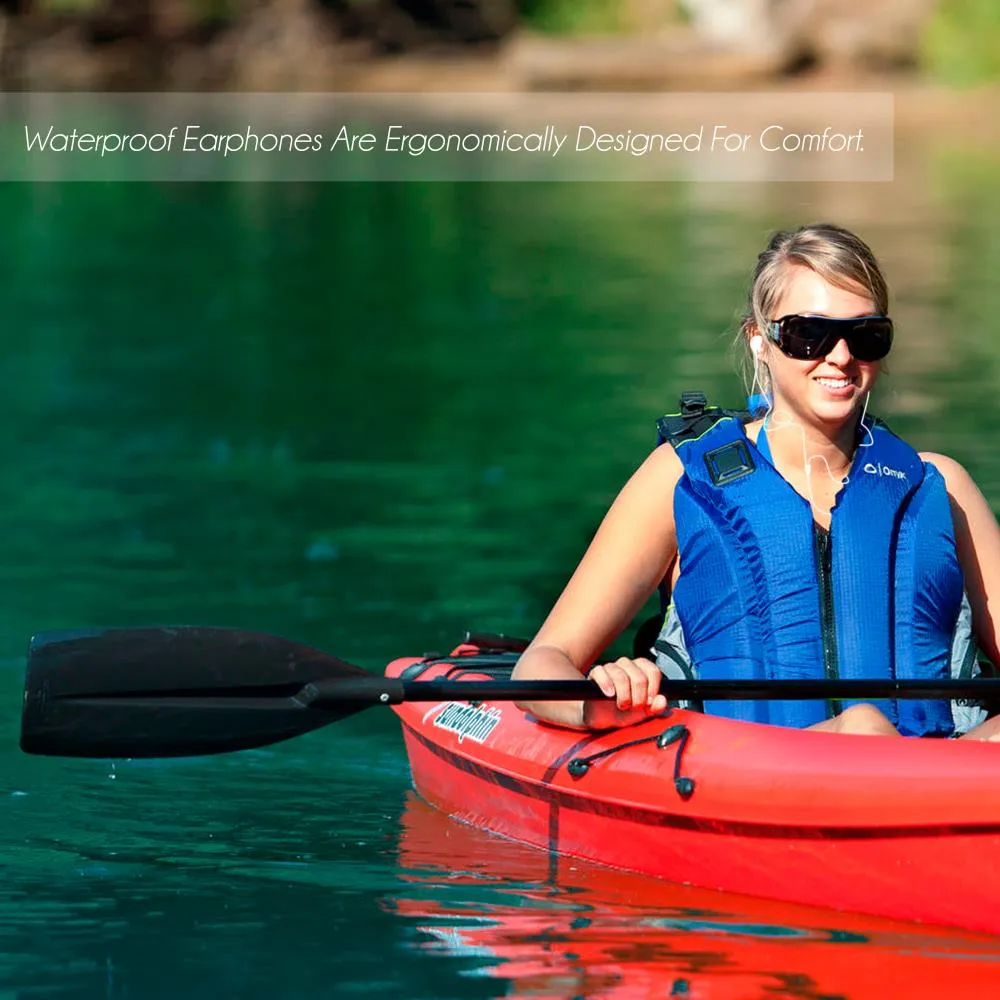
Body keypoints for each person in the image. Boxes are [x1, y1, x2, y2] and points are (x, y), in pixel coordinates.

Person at [511, 222, 1000, 740]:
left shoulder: (939, 485)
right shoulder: (680, 478)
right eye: (807, 334)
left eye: (865, 336)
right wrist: (604, 700)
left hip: (934, 780)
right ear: (759, 340)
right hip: (747, 779)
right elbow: (544, 663)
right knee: (863, 725)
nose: (839, 357)